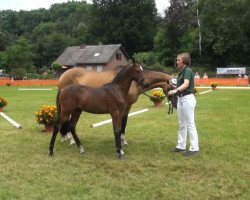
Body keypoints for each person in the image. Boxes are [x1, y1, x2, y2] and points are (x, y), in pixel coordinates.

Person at [168, 53, 199, 156]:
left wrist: (175, 90)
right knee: (182, 124)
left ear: (184, 61)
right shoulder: (181, 72)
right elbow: (181, 84)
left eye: (179, 60)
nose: (177, 62)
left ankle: (194, 148)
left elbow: (186, 84)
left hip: (187, 99)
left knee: (190, 124)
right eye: (177, 60)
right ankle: (181, 146)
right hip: (181, 99)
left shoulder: (188, 71)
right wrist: (173, 85)